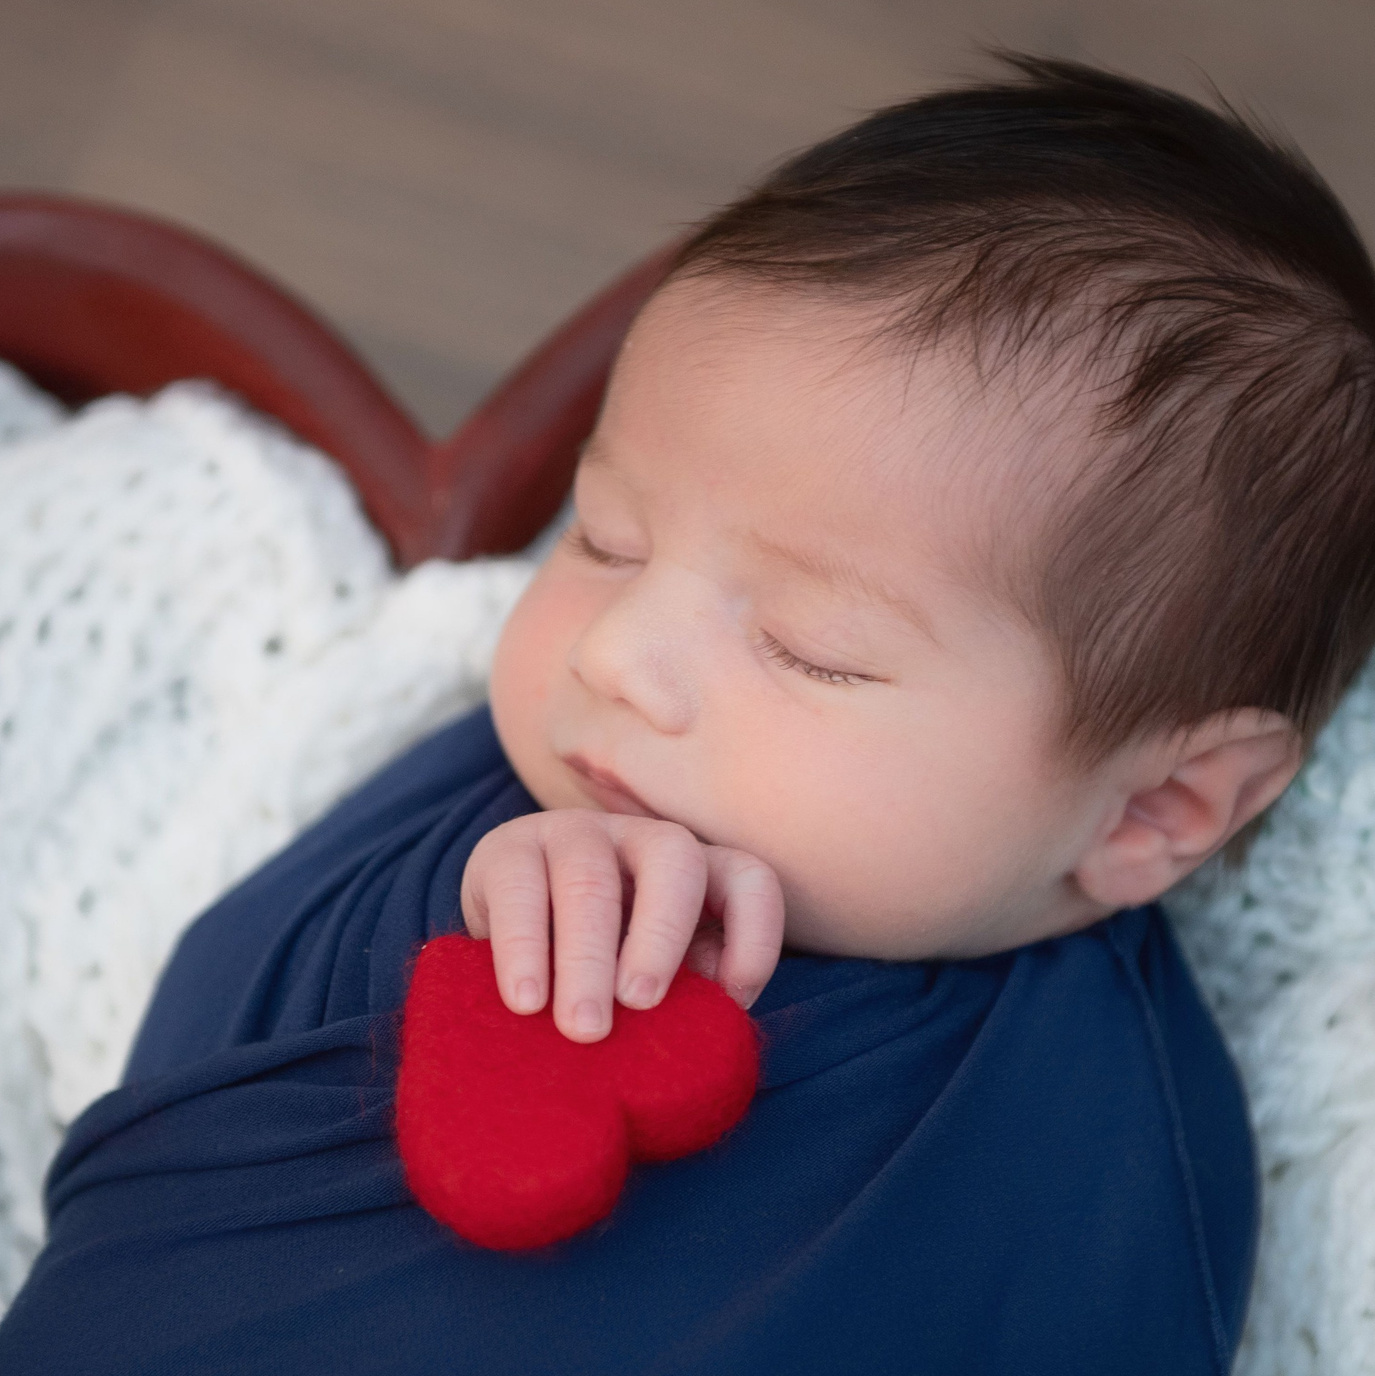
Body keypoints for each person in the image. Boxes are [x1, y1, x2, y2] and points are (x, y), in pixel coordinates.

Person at [4, 53, 1374, 1375]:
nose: (618, 655)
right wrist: (468, 897)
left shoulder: (1136, 1164)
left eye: (808, 647)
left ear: (1157, 808)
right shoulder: (519, 809)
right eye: (601, 536)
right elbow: (196, 1084)